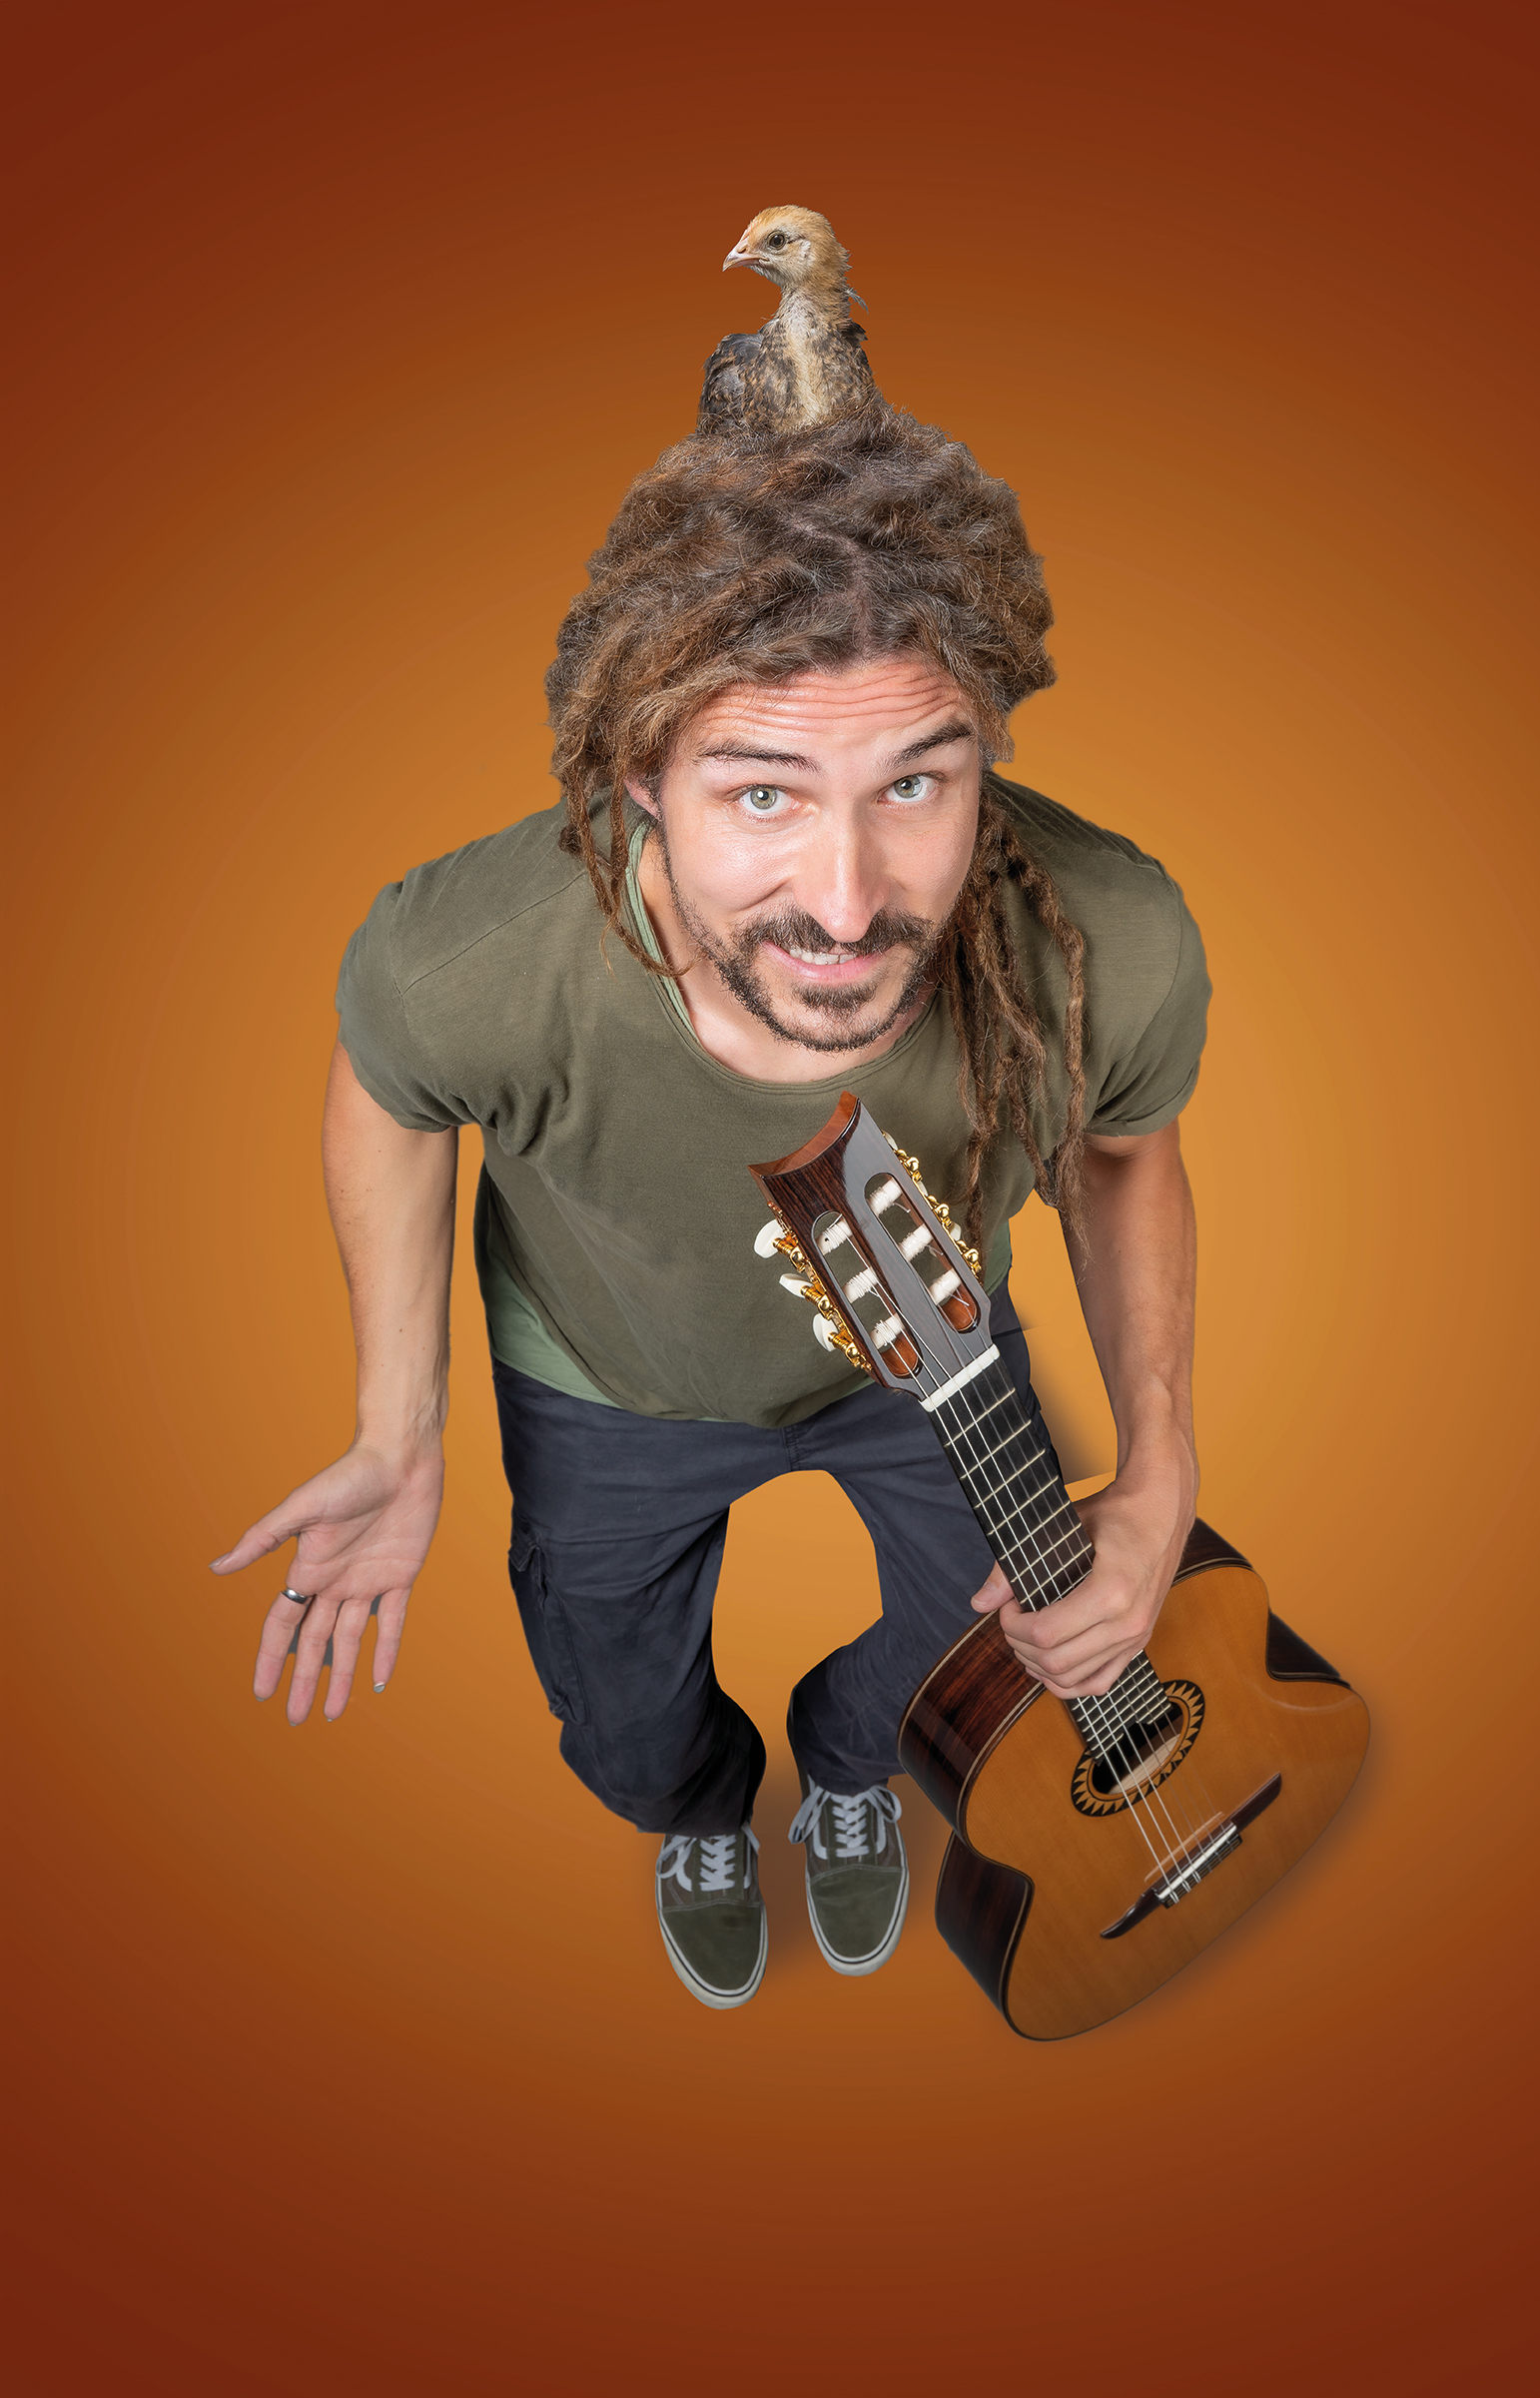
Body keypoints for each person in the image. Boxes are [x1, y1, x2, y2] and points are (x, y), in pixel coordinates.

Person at [211, 404, 1209, 2010]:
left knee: (991, 1660)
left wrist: (1159, 1465)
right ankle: (697, 1814)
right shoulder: (478, 955)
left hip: (935, 1354)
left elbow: (1120, 1152)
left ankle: (844, 1769)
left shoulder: (1108, 938)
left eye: (913, 782)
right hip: (609, 1375)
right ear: (641, 777)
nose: (845, 899)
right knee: (621, 1725)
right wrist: (398, 1427)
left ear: (983, 755)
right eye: (760, 794)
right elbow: (389, 1093)